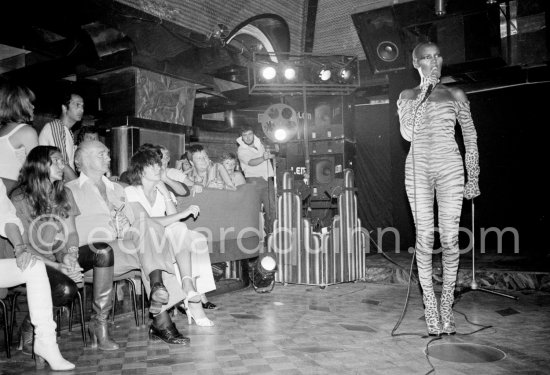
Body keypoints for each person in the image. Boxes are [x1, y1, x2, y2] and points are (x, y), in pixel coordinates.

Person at [67, 140, 190, 344]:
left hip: (118, 249)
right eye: (102, 154)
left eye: (108, 152)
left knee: (149, 229)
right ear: (82, 160)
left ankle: (158, 287)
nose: (109, 157)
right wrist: (68, 255)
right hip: (89, 254)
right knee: (149, 254)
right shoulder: (69, 189)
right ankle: (162, 320)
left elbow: (139, 223)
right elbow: (66, 230)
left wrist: (126, 225)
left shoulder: (118, 189)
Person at [397, 41, 480, 336]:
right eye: (427, 57)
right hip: (418, 167)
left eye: (438, 55)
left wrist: (473, 176)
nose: (435, 61)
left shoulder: (455, 93)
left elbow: (470, 137)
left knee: (448, 238)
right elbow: (407, 133)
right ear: (416, 63)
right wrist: (425, 92)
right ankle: (429, 305)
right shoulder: (407, 95)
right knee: (423, 237)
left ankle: (447, 305)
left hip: (450, 167)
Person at [10, 146, 119, 351]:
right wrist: (58, 267)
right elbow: (24, 247)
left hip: (57, 254)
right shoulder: (20, 198)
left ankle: (99, 324)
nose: (63, 165)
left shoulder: (63, 192)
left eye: (63, 161)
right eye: (57, 161)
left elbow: (71, 233)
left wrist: (71, 255)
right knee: (66, 289)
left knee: (102, 251)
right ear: (41, 165)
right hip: (29, 260)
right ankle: (29, 326)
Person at [124, 148, 216, 325]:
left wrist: (166, 194)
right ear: (140, 170)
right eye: (152, 165)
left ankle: (188, 286)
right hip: (142, 239)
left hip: (163, 237)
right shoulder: (131, 191)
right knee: (184, 230)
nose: (158, 168)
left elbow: (173, 223)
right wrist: (182, 214)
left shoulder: (163, 192)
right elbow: (145, 221)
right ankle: (194, 303)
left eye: (159, 164)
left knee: (188, 233)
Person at [1, 179, 75, 370]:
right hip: (48, 256)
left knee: (35, 268)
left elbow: (7, 218)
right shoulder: (21, 198)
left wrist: (19, 249)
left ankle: (46, 344)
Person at [236, 127, 276, 239]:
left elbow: (274, 150)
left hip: (267, 180)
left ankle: (271, 235)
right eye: (245, 135)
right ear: (241, 137)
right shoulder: (241, 150)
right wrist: (263, 158)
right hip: (253, 182)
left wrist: (274, 150)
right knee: (255, 210)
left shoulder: (261, 143)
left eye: (250, 134)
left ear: (254, 134)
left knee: (272, 208)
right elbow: (251, 162)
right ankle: (254, 237)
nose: (248, 137)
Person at [0, 81, 39, 186]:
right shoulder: (27, 132)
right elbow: (37, 172)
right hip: (11, 196)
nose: (33, 107)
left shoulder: (2, 130)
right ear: (20, 105)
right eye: (30, 103)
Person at [38, 92, 84, 181]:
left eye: (82, 106)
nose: (81, 110)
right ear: (64, 108)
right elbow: (63, 166)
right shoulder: (56, 127)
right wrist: (79, 188)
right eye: (77, 105)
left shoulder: (68, 131)